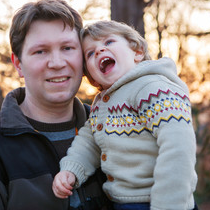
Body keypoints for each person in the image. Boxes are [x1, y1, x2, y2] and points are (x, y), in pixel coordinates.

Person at [0, 0, 111, 210]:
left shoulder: (115, 128)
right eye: (40, 51)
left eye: (67, 48)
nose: (57, 63)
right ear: (18, 64)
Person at [52, 20, 198, 210]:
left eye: (109, 42)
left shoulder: (153, 88)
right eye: (90, 53)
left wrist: (168, 205)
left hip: (158, 200)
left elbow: (178, 148)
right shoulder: (103, 102)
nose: (99, 50)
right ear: (92, 77)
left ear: (137, 52)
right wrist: (71, 170)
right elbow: (88, 143)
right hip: (120, 202)